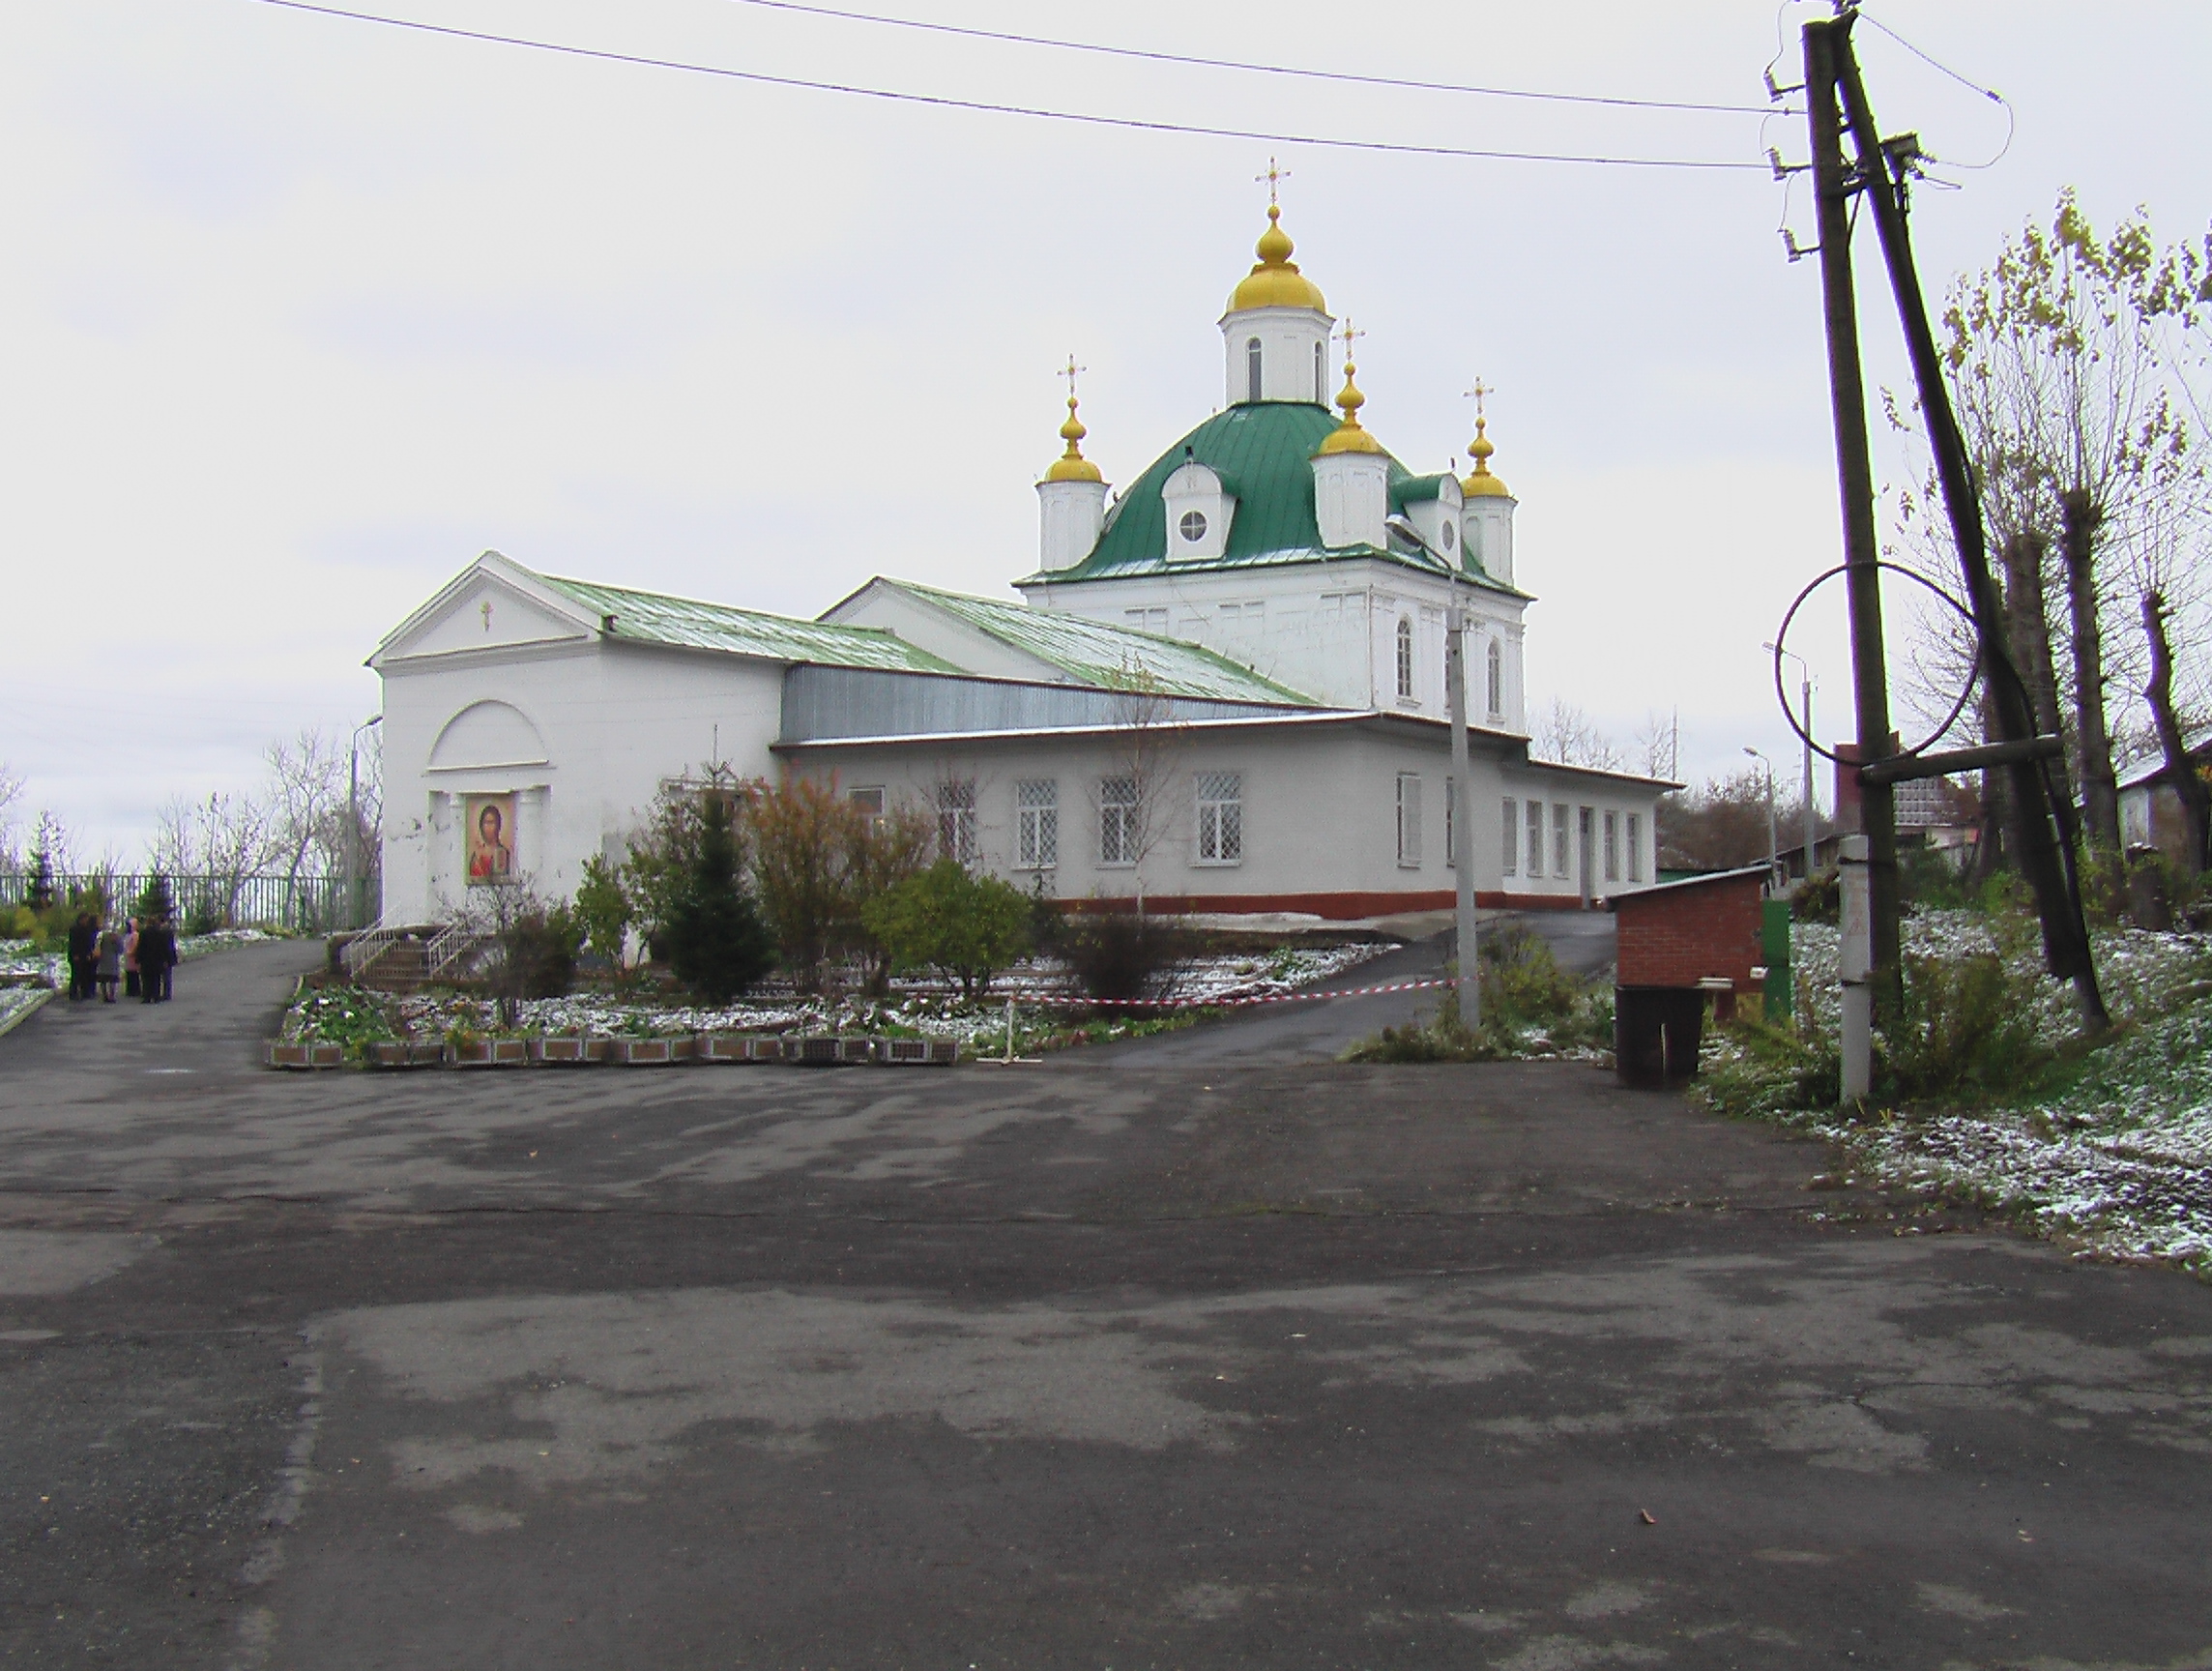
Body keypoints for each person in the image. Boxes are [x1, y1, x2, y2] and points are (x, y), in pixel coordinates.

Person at [468, 802, 514, 883]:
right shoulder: (476, 855)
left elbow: (500, 879)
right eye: (485, 823)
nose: (488, 827)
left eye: (491, 823)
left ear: (498, 826)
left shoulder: (502, 853)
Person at [138, 918, 176, 1004]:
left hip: (146, 959)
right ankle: (156, 996)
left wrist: (139, 960)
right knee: (156, 978)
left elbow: (141, 948)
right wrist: (166, 959)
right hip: (157, 959)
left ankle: (147, 996)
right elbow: (164, 948)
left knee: (146, 979)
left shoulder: (143, 933)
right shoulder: (160, 933)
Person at [67, 911, 99, 1001]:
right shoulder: (75, 929)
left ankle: (85, 992)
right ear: (81, 919)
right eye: (85, 919)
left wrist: (89, 954)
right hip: (77, 955)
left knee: (85, 974)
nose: (86, 921)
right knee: (76, 975)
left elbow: (88, 943)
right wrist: (74, 954)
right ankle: (73, 993)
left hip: (85, 954)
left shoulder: (87, 929)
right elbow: (73, 943)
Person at [94, 920, 123, 1004]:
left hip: (103, 958)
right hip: (113, 959)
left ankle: (105, 995)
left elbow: (97, 945)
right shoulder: (117, 937)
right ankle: (112, 996)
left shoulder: (101, 935)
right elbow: (120, 950)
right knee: (112, 978)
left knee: (103, 978)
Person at [123, 918, 141, 1000]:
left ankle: (135, 990)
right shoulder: (127, 935)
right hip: (128, 956)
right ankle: (130, 989)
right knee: (129, 972)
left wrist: (132, 952)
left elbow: (136, 945)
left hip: (132, 956)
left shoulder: (135, 934)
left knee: (134, 973)